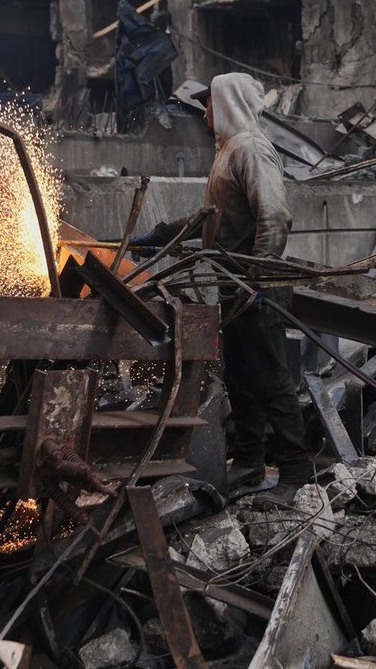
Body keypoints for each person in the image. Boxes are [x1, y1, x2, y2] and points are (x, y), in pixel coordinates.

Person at [132, 72, 310, 491]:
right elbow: (212, 217)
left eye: (209, 103)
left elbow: (275, 217)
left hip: (255, 289)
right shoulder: (229, 150)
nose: (205, 113)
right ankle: (249, 462)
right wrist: (164, 235)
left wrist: (257, 277)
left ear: (227, 103)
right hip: (234, 287)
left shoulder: (251, 149)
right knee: (242, 378)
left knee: (271, 379)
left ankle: (295, 472)